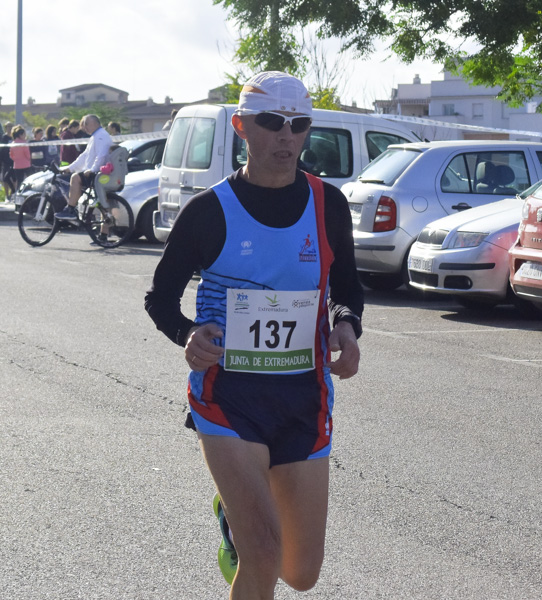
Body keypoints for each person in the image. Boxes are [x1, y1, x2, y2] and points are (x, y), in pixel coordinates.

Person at [144, 71, 362, 598]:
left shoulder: (327, 204)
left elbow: (347, 287)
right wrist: (187, 334)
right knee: (262, 552)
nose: (286, 137)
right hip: (229, 397)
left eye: (299, 125)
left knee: (300, 573)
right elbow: (161, 300)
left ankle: (231, 515)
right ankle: (242, 519)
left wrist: (346, 326)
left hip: (302, 395)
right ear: (242, 126)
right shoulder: (208, 212)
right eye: (271, 123)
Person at [55, 114, 112, 221]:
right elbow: (84, 156)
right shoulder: (95, 136)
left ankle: (70, 209)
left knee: (75, 178)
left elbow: (102, 155)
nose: (84, 127)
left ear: (95, 123)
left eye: (86, 124)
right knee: (104, 205)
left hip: (97, 173)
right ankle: (103, 235)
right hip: (96, 172)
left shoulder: (100, 136)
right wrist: (69, 168)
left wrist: (92, 170)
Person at [9, 125, 32, 193]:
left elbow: (11, 155)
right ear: (20, 135)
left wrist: (16, 159)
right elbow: (27, 155)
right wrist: (29, 159)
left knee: (19, 181)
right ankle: (29, 192)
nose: (25, 136)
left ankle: (18, 193)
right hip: (26, 164)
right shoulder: (24, 143)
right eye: (24, 134)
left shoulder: (13, 143)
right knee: (30, 179)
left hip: (16, 165)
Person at [0, 121, 15, 198]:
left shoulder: (14, 138)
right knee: (5, 179)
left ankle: (13, 193)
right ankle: (6, 195)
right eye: (8, 127)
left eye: (11, 127)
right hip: (5, 160)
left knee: (14, 178)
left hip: (13, 160)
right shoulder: (4, 138)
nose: (9, 129)